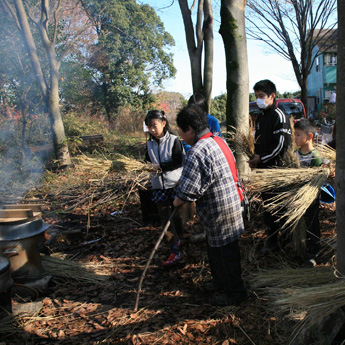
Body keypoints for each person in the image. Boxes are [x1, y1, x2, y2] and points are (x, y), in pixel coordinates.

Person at [173, 104, 247, 306]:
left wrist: (177, 200)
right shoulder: (217, 140)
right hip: (231, 204)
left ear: (189, 129)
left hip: (219, 211)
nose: (180, 134)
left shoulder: (197, 151)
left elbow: (189, 192)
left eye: (180, 130)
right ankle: (220, 282)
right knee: (217, 251)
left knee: (225, 255)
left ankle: (235, 293)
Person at [248, 79, 292, 252]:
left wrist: (262, 159)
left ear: (272, 96)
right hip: (264, 171)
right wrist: (254, 157)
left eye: (261, 96)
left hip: (277, 171)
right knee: (269, 207)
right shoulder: (260, 117)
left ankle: (287, 239)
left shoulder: (279, 116)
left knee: (280, 206)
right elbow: (257, 142)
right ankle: (273, 239)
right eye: (256, 96)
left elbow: (282, 146)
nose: (258, 100)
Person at [144, 110, 189, 267]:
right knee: (165, 219)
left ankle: (181, 243)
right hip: (158, 187)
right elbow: (147, 161)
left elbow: (178, 161)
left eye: (154, 125)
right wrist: (148, 167)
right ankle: (173, 249)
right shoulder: (149, 143)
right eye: (149, 127)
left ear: (163, 123)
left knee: (177, 218)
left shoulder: (174, 140)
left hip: (174, 185)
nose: (152, 129)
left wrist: (160, 167)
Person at [294, 119, 323, 267]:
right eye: (295, 135)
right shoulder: (294, 154)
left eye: (298, 135)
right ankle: (299, 248)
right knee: (299, 223)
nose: (295, 138)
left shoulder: (315, 157)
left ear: (309, 136)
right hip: (297, 196)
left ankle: (314, 253)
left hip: (310, 197)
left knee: (312, 223)